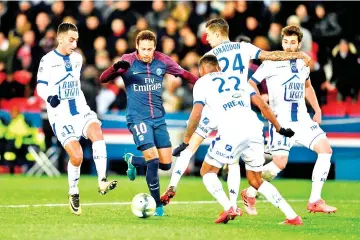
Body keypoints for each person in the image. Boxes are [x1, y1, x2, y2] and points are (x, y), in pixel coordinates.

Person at [161, 17, 311, 209]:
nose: (206, 38)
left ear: (217, 33)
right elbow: (272, 55)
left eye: (208, 35)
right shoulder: (244, 48)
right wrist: (298, 55)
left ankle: (173, 185)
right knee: (233, 161)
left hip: (216, 106)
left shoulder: (210, 56)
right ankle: (233, 204)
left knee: (190, 148)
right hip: (239, 107)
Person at [182, 55, 302, 224]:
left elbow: (196, 113)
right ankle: (292, 216)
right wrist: (278, 127)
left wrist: (187, 138)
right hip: (254, 127)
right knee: (255, 180)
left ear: (201, 70)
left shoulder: (202, 82)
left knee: (207, 171)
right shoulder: (237, 79)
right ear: (219, 68)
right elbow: (262, 105)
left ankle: (229, 207)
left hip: (232, 129)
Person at [99, 30, 198, 216]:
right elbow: (103, 79)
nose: (146, 53)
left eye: (150, 49)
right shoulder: (128, 60)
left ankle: (133, 161)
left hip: (159, 119)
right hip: (138, 119)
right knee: (152, 161)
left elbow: (184, 74)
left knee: (166, 164)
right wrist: (114, 68)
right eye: (143, 49)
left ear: (155, 48)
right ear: (137, 47)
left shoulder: (162, 60)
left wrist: (203, 84)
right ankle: (158, 205)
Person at [246, 25, 337, 214]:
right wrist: (261, 103)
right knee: (280, 163)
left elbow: (308, 87)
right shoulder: (271, 62)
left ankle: (315, 200)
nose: (288, 46)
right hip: (281, 120)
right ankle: (251, 190)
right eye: (285, 42)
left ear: (299, 44)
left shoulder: (302, 63)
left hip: (302, 118)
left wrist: (317, 110)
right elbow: (251, 83)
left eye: (292, 42)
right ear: (281, 42)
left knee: (326, 150)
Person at [36, 22, 118, 216]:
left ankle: (102, 181)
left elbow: (73, 83)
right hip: (60, 115)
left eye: (76, 40)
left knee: (97, 132)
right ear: (60, 39)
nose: (74, 44)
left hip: (80, 109)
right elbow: (40, 86)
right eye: (71, 40)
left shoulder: (77, 58)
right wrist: (49, 97)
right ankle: (73, 190)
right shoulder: (47, 61)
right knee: (77, 156)